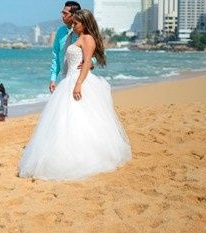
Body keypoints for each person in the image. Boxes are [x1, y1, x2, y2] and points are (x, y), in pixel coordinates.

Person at [18, 9, 131, 181]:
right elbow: (62, 56)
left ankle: (83, 155)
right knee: (64, 120)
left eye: (76, 23)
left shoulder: (87, 38)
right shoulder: (77, 36)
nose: (73, 25)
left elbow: (87, 62)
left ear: (84, 23)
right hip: (69, 80)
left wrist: (78, 84)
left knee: (78, 118)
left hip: (77, 82)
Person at [49, 1, 82, 93]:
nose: (62, 15)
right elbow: (55, 55)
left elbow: (99, 52)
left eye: (65, 13)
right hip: (64, 77)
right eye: (62, 13)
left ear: (74, 15)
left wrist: (90, 62)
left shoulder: (83, 31)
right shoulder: (60, 31)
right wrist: (53, 78)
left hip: (80, 77)